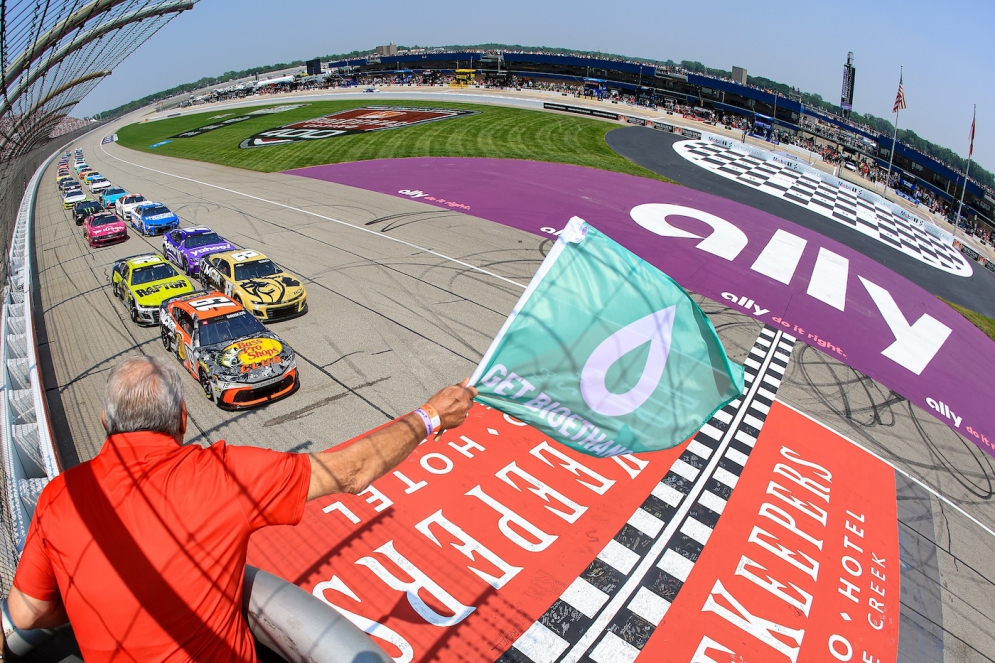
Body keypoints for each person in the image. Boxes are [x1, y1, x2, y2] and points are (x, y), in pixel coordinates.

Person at [7, 356, 476, 661]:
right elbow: (352, 472)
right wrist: (430, 416)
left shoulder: (58, 496)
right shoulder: (223, 473)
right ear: (183, 420)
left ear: (106, 422)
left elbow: (26, 614)